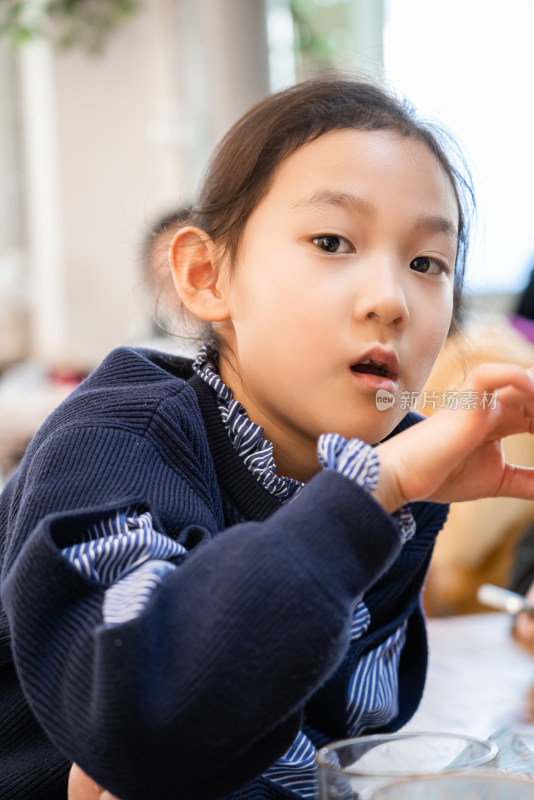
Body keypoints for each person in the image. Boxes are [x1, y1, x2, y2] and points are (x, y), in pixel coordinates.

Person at [2, 77, 534, 800]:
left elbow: (342, 732)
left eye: (426, 263)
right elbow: (141, 719)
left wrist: (391, 504)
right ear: (206, 276)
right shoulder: (119, 434)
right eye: (331, 241)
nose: (391, 300)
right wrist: (373, 494)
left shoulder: (383, 473)